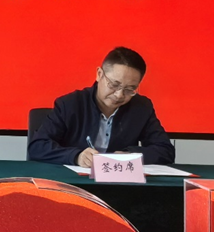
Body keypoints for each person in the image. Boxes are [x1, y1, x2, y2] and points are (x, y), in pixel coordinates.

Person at [28, 47, 174, 166]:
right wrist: (76, 156)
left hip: (120, 184)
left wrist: (131, 155)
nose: (119, 95)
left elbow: (166, 151)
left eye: (130, 89)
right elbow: (38, 146)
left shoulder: (141, 108)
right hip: (75, 183)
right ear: (99, 74)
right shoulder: (70, 104)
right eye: (114, 85)